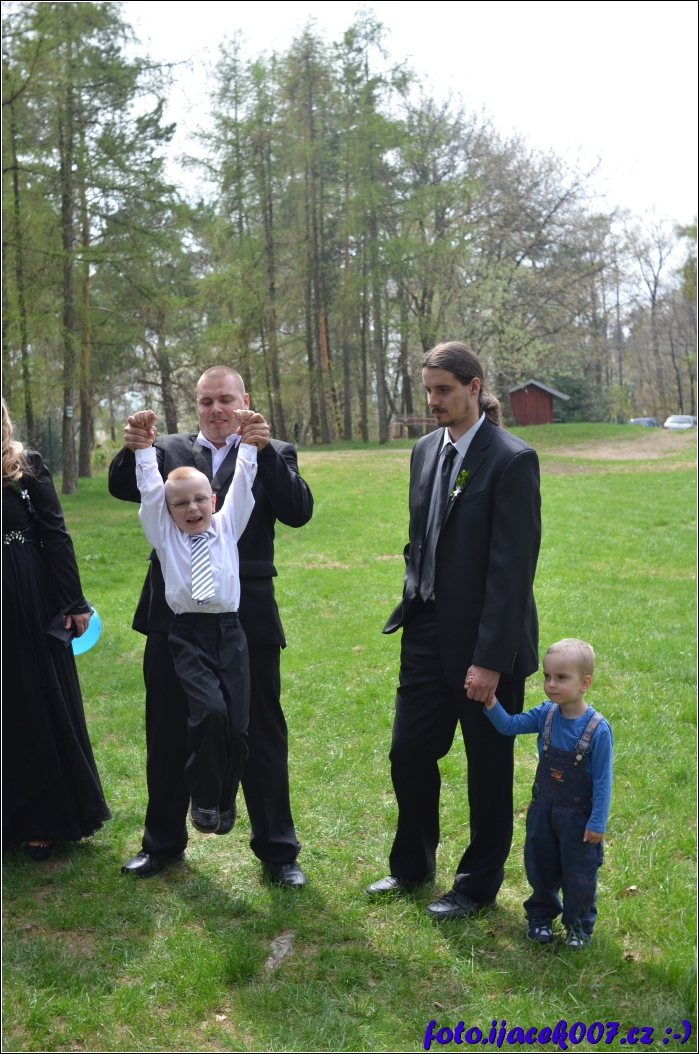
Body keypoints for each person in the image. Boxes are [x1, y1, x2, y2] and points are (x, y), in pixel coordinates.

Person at [108, 367, 313, 884]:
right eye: (206, 401)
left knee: (259, 733)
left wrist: (262, 451)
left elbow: (298, 511)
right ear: (196, 405)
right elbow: (121, 485)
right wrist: (133, 446)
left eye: (225, 400)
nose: (216, 409)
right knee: (167, 729)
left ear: (244, 400)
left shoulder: (274, 451)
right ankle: (162, 843)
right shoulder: (168, 450)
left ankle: (278, 851)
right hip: (171, 616)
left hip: (248, 615)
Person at [367, 341, 541, 919]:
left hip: (486, 640)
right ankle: (412, 867)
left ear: (474, 387)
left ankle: (475, 887)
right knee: (408, 752)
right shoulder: (424, 450)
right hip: (424, 629)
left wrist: (489, 659)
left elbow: (512, 571)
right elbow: (423, 535)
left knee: (487, 768)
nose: (433, 400)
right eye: (428, 390)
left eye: (443, 389)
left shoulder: (512, 459)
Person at [133, 407, 258, 836]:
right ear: (168, 511)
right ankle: (203, 798)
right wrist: (144, 451)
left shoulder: (227, 527)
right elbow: (150, 491)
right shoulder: (165, 536)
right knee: (210, 715)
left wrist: (250, 443)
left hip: (231, 633)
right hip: (188, 635)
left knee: (237, 728)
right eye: (181, 503)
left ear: (214, 502)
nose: (192, 508)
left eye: (200, 500)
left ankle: (224, 800)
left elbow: (244, 482)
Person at [2, 400, 111, 859]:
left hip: (23, 595)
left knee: (31, 696)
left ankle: (42, 818)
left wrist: (73, 602)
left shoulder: (24, 466)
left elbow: (55, 533)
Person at [482, 638, 612, 948]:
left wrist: (597, 822)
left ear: (585, 683)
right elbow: (509, 726)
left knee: (579, 874)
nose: (551, 684)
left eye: (561, 677)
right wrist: (490, 702)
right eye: (547, 676)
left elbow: (602, 782)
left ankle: (579, 926)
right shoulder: (545, 715)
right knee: (540, 866)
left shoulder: (597, 729)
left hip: (579, 818)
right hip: (543, 810)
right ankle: (540, 917)